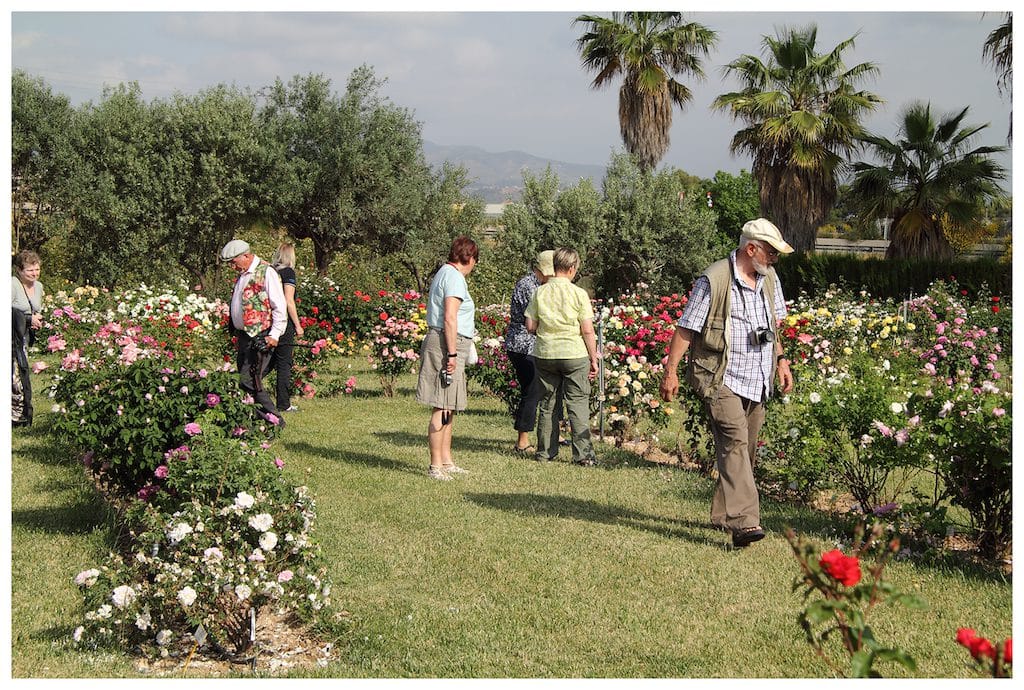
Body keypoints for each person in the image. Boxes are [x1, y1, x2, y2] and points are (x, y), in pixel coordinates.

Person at [659, 218, 795, 548]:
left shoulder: (768, 278)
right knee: (734, 441)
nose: (774, 259)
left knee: (744, 450)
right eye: (771, 253)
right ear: (752, 249)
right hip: (721, 378)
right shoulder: (715, 279)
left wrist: (781, 360)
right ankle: (745, 522)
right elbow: (687, 328)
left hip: (758, 378)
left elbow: (773, 326)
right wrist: (671, 371)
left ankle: (722, 514)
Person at [525, 247, 600, 466]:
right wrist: (593, 358)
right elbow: (587, 330)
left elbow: (530, 325)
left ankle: (545, 452)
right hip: (574, 353)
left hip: (546, 353)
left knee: (548, 402)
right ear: (572, 268)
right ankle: (583, 456)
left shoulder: (540, 292)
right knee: (577, 403)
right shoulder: (579, 294)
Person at [415, 236, 479, 480]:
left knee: (449, 405)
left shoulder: (445, 273)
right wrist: (451, 353)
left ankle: (446, 460)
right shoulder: (454, 277)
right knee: (441, 404)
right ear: (470, 258)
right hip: (446, 342)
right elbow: (450, 317)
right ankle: (435, 466)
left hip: (450, 341)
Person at [221, 239, 288, 429]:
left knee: (250, 380)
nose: (232, 267)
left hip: (261, 336)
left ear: (246, 256)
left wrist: (274, 335)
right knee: (246, 381)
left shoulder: (266, 273)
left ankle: (275, 421)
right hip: (245, 337)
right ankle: (254, 422)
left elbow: (279, 306)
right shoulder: (243, 275)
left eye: (234, 262)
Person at [504, 250, 560, 455]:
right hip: (523, 345)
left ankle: (552, 433)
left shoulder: (539, 285)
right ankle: (522, 441)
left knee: (543, 388)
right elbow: (535, 320)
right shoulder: (529, 286)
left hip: (530, 344)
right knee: (532, 390)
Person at [268, 242, 304, 413]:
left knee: (268, 361)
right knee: (283, 364)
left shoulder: (271, 272)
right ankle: (283, 403)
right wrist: (297, 325)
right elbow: (289, 301)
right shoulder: (287, 272)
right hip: (283, 323)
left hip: (269, 321)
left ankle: (246, 388)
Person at [12, 250, 44, 427]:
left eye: (37, 269)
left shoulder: (38, 286)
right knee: (13, 374)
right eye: (30, 270)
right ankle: (15, 415)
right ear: (19, 270)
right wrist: (28, 318)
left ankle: (20, 413)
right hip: (10, 335)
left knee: (21, 371)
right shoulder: (12, 285)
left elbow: (34, 309)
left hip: (23, 335)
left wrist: (35, 320)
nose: (34, 273)